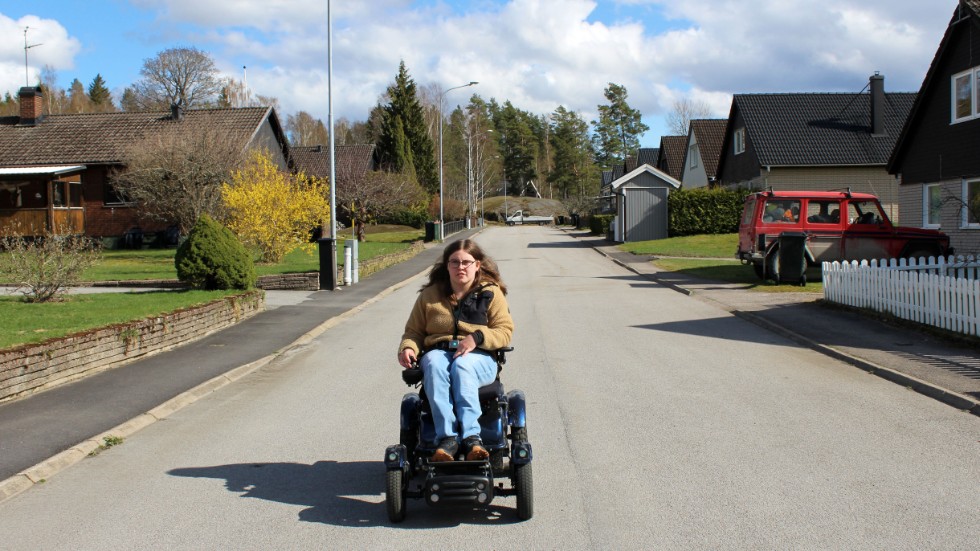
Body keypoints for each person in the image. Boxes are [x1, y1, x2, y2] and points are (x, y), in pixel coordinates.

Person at [397, 239, 515, 462]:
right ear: (447, 265)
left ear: (477, 265)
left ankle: (472, 438)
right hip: (439, 353)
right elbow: (413, 332)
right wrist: (408, 348)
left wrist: (476, 337)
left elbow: (504, 331)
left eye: (466, 262)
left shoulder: (491, 293)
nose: (460, 267)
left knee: (462, 365)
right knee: (432, 363)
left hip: (479, 357)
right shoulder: (430, 296)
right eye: (455, 262)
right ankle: (447, 438)